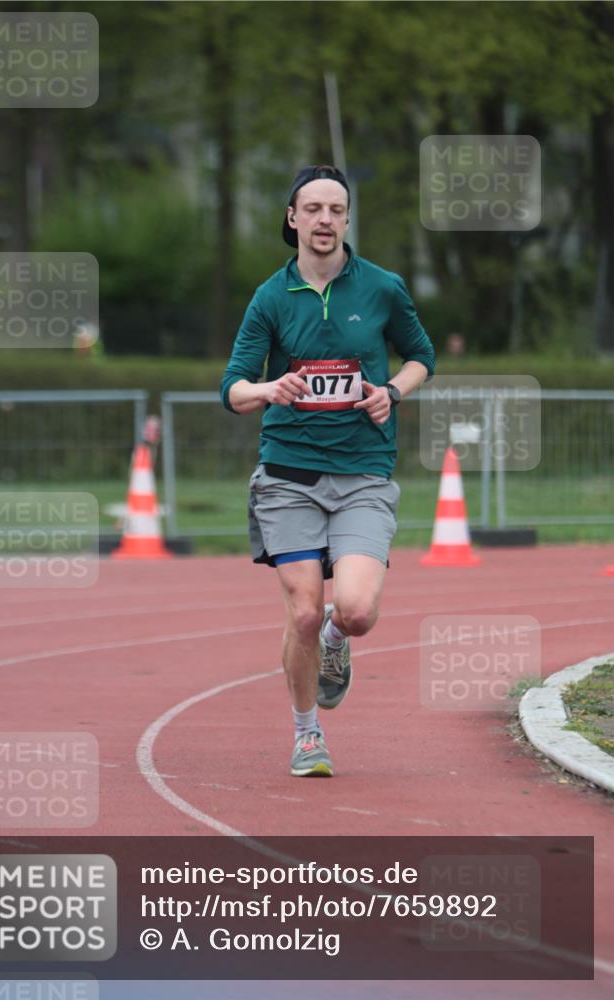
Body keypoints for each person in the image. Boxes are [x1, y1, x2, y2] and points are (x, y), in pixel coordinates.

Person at [220, 165, 435, 777]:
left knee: (356, 612)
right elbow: (232, 389)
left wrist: (391, 390)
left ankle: (337, 648)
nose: (323, 220)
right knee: (306, 612)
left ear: (346, 219)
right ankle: (307, 732)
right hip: (288, 476)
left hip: (364, 470)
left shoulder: (382, 288)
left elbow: (423, 356)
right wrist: (270, 387)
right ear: (292, 219)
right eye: (311, 209)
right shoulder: (270, 296)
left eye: (335, 210)